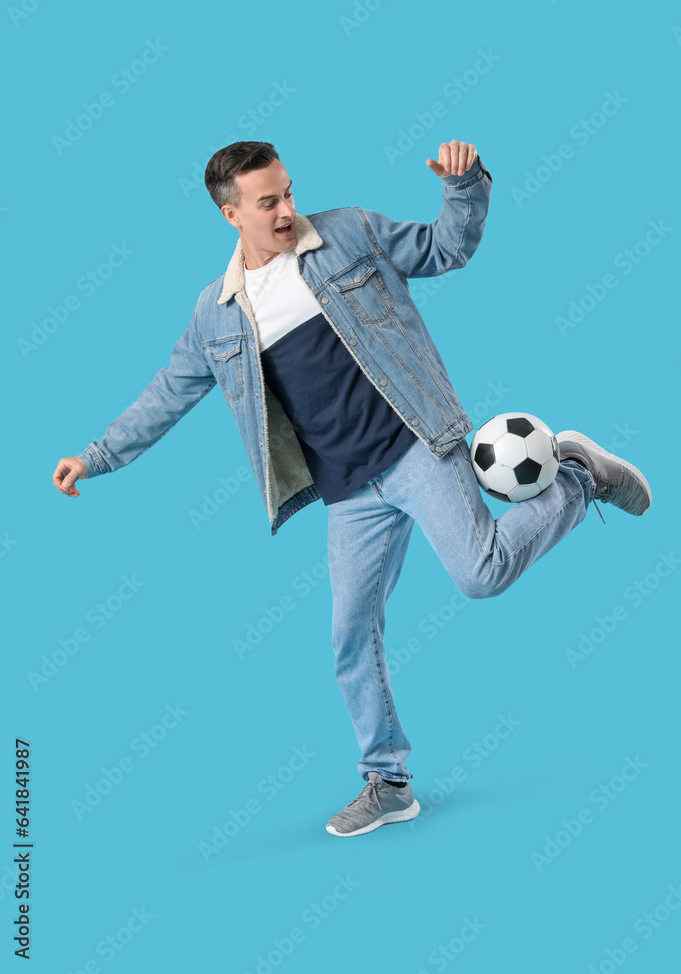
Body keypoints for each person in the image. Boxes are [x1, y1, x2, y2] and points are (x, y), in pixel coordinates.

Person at [52, 138, 651, 839]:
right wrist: (95, 457)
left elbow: (444, 249)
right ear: (229, 214)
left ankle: (573, 477)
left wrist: (463, 187)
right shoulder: (215, 316)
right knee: (348, 633)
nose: (285, 210)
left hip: (414, 445)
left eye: (288, 192)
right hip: (346, 492)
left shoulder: (349, 233)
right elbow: (164, 398)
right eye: (267, 201)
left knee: (480, 574)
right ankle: (388, 782)